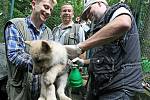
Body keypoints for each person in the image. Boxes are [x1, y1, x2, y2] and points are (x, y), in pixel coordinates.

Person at [65, 0, 144, 100]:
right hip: (102, 86)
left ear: (99, 3)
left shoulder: (117, 10)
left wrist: (79, 47)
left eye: (89, 10)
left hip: (119, 87)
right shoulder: (101, 27)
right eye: (86, 15)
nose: (88, 16)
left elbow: (124, 23)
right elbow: (105, 58)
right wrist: (83, 62)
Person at [3, 0, 57, 100]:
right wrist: (41, 64)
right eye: (46, 7)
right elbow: (15, 55)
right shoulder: (15, 25)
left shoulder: (49, 32)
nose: (49, 12)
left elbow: (51, 55)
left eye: (50, 9)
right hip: (20, 91)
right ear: (33, 4)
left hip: (40, 92)